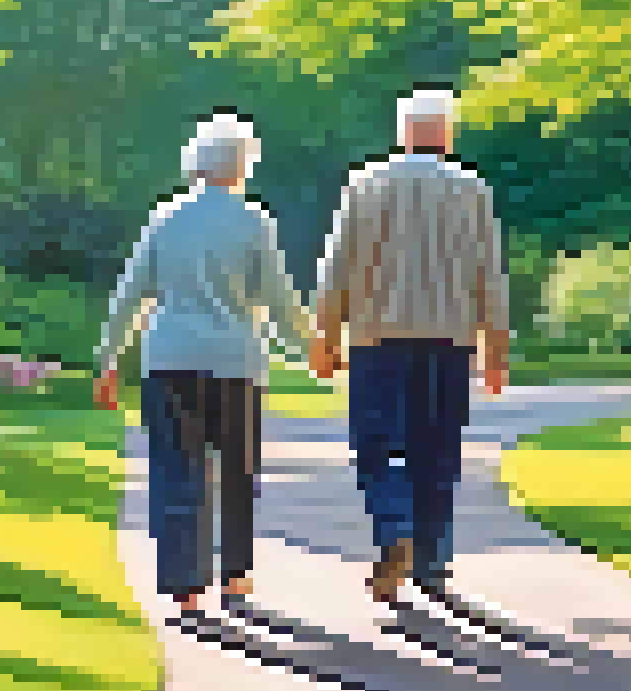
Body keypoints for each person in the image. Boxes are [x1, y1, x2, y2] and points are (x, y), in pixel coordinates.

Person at [95, 113, 315, 626]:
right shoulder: (253, 220)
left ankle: (186, 588)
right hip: (235, 365)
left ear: (194, 163)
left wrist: (109, 360)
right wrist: (314, 350)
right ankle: (234, 577)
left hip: (169, 362)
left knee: (177, 471)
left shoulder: (165, 218)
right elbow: (278, 300)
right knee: (237, 472)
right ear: (241, 167)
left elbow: (131, 295)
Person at [309, 89, 510, 606]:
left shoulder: (366, 184)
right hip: (450, 339)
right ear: (446, 134)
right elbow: (488, 274)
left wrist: (325, 335)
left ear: (403, 133)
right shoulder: (472, 189)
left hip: (377, 339)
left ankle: (393, 527)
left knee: (378, 445)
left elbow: (337, 267)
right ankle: (432, 563)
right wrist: (495, 349)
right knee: (438, 451)